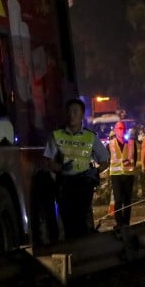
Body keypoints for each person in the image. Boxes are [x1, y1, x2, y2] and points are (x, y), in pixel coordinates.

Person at [43, 98, 110, 239]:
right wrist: (60, 168)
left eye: (75, 112)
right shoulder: (56, 136)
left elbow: (105, 160)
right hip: (64, 185)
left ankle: (84, 247)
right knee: (68, 222)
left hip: (84, 184)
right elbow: (48, 161)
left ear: (81, 115)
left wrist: (95, 172)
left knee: (82, 219)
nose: (72, 115)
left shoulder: (90, 137)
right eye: (69, 112)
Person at [108, 120, 138, 227]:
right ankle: (120, 223)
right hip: (116, 176)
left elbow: (135, 158)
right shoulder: (110, 144)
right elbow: (108, 159)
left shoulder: (131, 143)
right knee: (118, 200)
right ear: (115, 131)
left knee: (127, 201)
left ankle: (126, 223)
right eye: (119, 128)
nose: (122, 130)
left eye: (123, 128)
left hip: (128, 175)